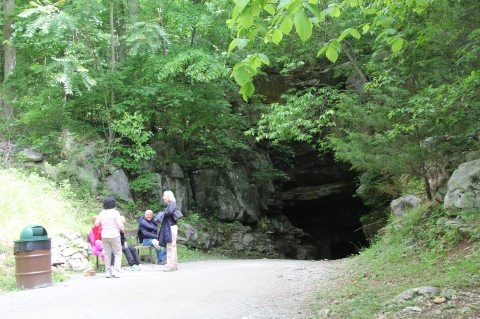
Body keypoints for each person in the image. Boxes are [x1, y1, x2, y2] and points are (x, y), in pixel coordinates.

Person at [95, 196, 124, 278]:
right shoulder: (115, 212)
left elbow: (96, 224)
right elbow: (120, 225)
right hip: (114, 234)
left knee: (107, 253)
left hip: (104, 235)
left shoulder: (102, 212)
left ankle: (107, 272)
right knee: (117, 253)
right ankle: (116, 271)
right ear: (114, 204)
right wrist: (122, 228)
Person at [158, 190, 179, 272]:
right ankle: (174, 264)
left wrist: (161, 214)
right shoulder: (170, 204)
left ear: (168, 196)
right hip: (170, 226)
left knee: (170, 246)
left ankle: (171, 266)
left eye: (164, 196)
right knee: (172, 246)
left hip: (170, 227)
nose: (163, 197)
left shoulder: (172, 203)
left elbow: (169, 213)